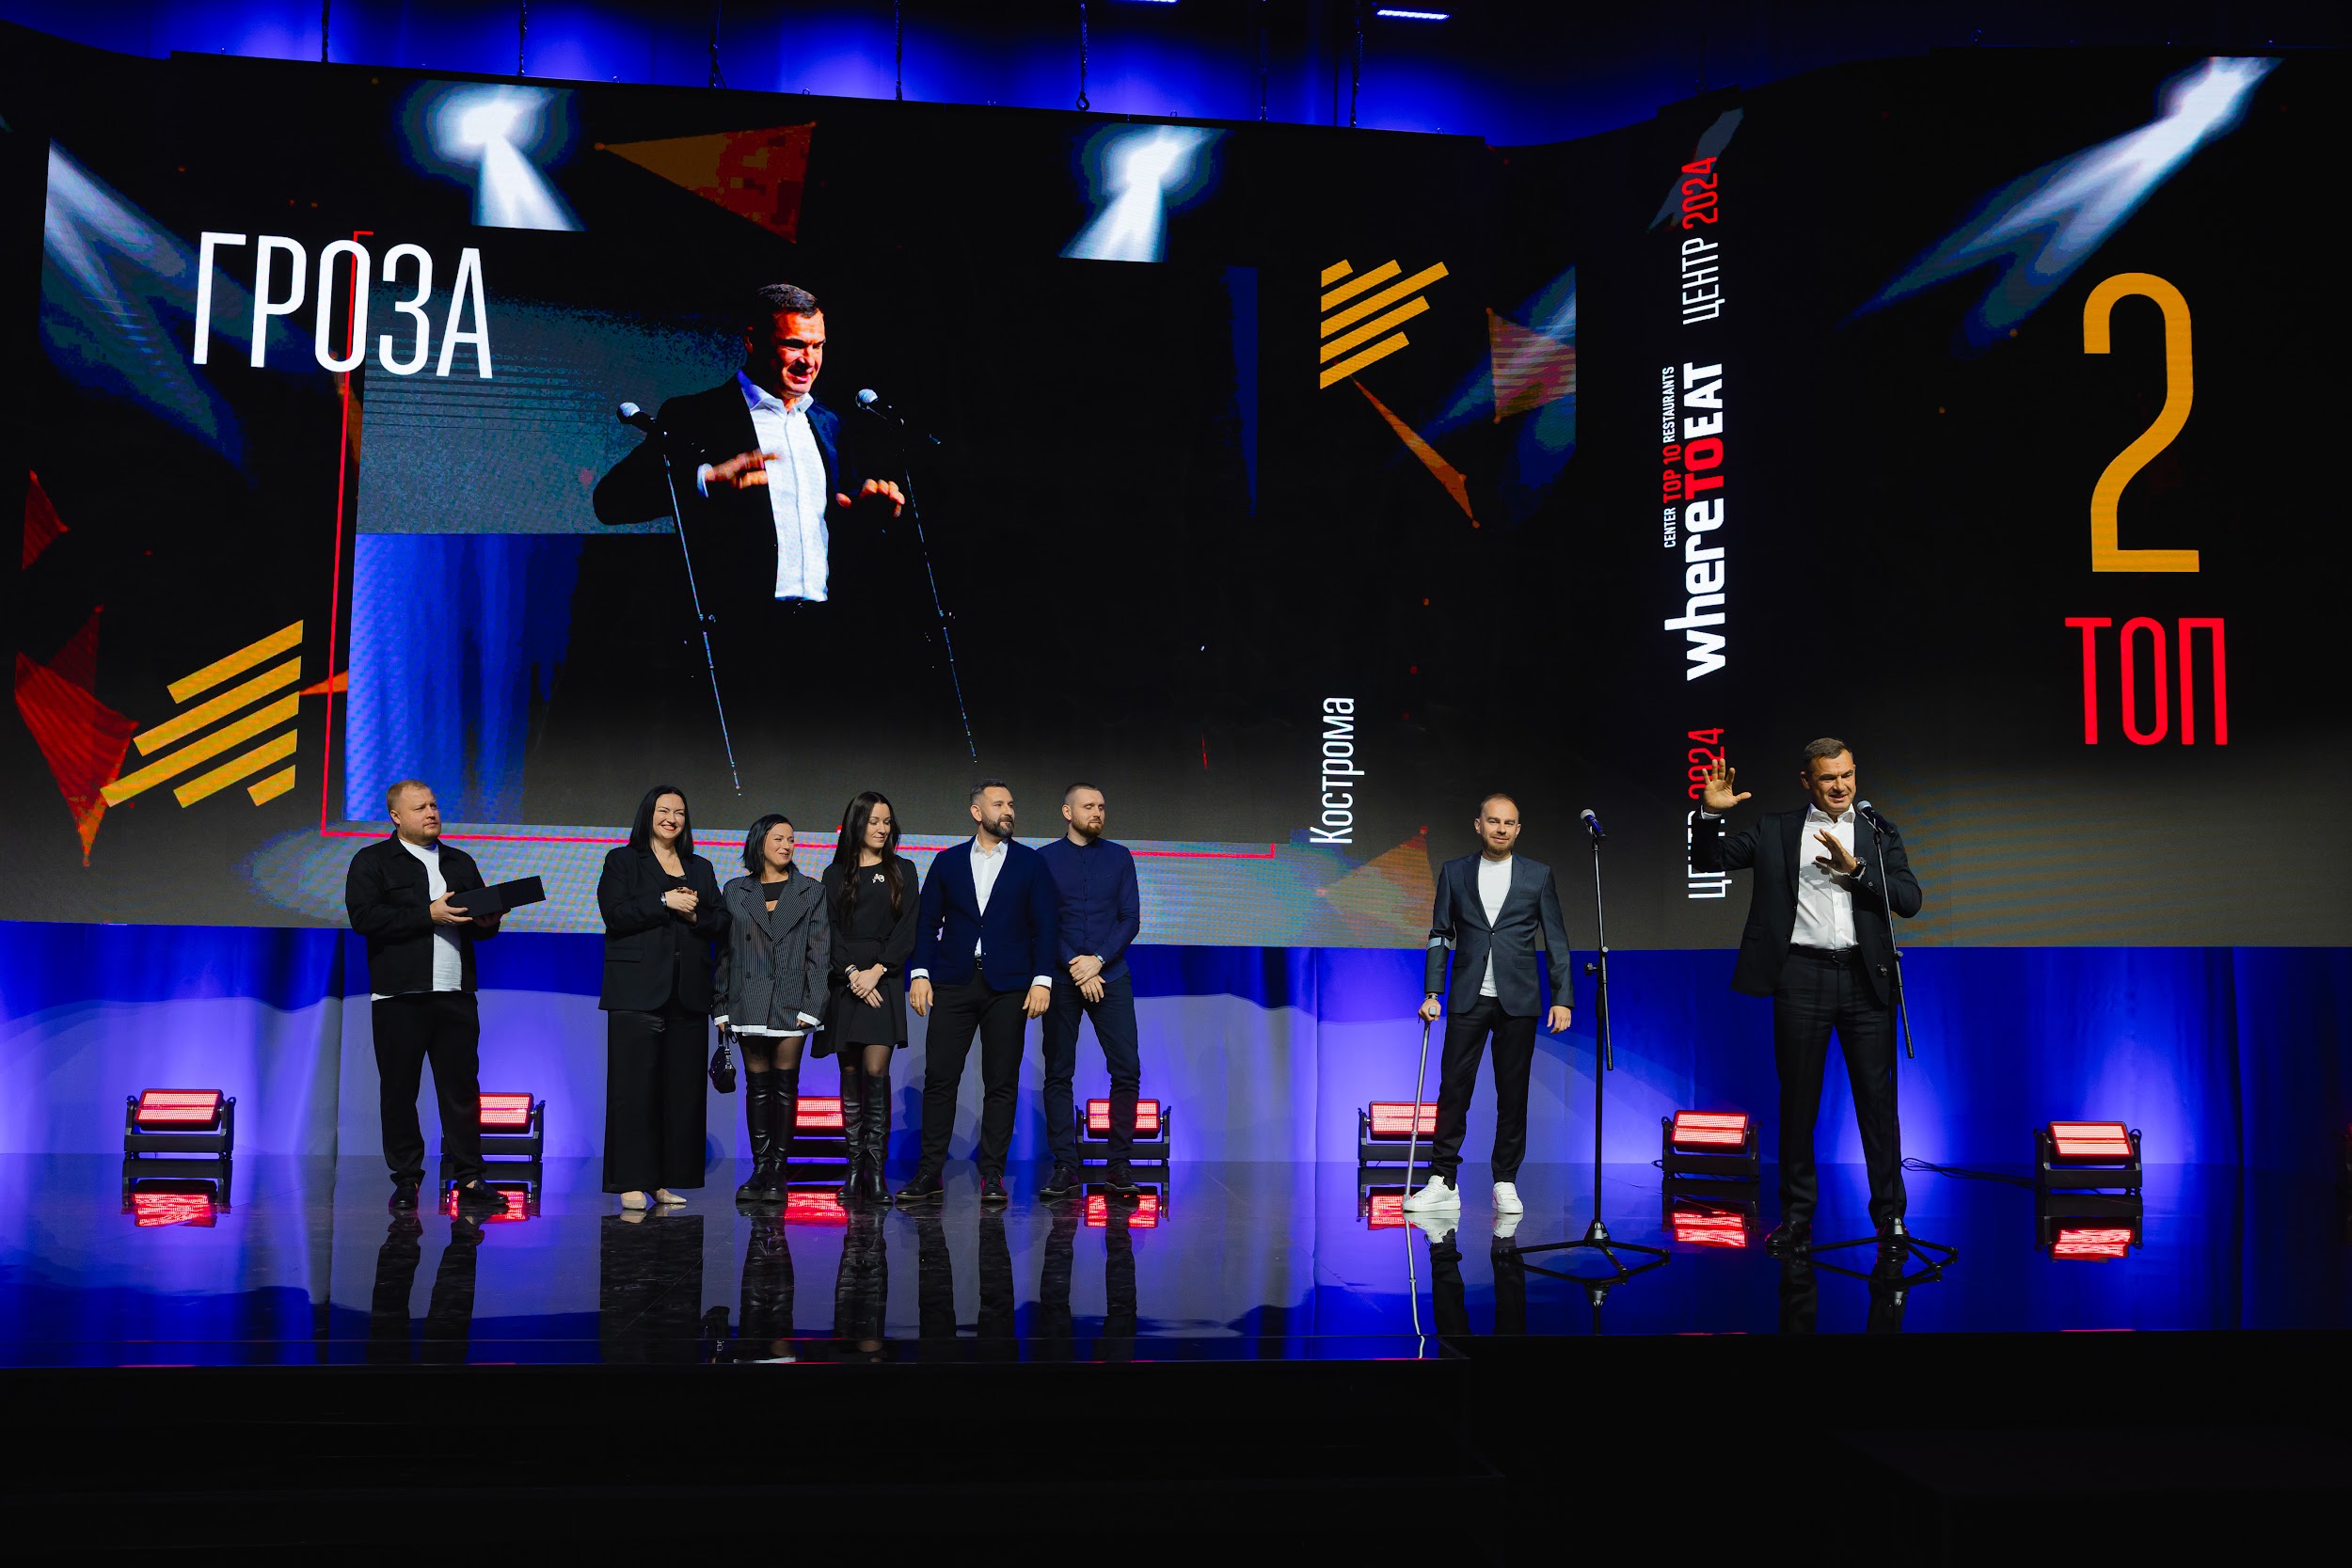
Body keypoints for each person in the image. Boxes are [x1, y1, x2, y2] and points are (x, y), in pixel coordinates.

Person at [1694, 738, 1923, 1255]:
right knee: (1798, 1105)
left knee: (1878, 1105)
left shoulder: (1878, 831)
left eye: (1847, 775)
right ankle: (1797, 1220)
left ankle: (1890, 1218)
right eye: (1828, 778)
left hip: (1865, 979)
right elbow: (1710, 860)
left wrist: (1857, 871)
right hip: (1800, 976)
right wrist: (1709, 814)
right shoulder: (1776, 829)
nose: (1840, 786)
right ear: (1807, 781)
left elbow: (1910, 900)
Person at [1403, 792, 1574, 1216]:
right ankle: (1443, 1180)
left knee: (1512, 1094)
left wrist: (1563, 999)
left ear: (1518, 829)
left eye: (1509, 823)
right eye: (1494, 821)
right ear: (1478, 825)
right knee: (1453, 1089)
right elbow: (1441, 933)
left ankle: (1505, 1181)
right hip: (1468, 995)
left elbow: (1556, 940)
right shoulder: (1455, 871)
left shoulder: (1538, 875)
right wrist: (1432, 992)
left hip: (1519, 998)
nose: (1501, 829)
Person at [343, 779, 507, 1214]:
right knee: (400, 1091)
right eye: (420, 808)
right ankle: (406, 1179)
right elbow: (365, 918)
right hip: (399, 995)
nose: (431, 813)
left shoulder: (460, 861)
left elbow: (478, 929)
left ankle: (469, 1176)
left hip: (454, 992)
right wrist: (427, 913)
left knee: (462, 1090)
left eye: (434, 804)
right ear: (396, 816)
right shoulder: (372, 861)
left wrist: (488, 922)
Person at [898, 778, 1059, 1209]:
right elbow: (927, 922)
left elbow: (1046, 926)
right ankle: (929, 1173)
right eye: (999, 804)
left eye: (1011, 804)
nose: (1008, 811)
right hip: (953, 982)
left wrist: (1042, 980)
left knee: (1001, 1082)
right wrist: (920, 974)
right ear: (976, 812)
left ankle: (992, 1174)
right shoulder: (947, 861)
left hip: (1010, 987)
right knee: (940, 1078)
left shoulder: (1030, 863)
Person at [596, 784, 728, 1211]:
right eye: (663, 811)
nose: (672, 818)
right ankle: (631, 1181)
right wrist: (663, 901)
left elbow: (720, 921)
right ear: (648, 815)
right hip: (636, 992)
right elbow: (615, 914)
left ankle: (663, 1181)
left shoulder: (700, 867)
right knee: (633, 1091)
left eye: (679, 812)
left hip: (687, 994)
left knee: (679, 1094)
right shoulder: (622, 860)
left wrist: (694, 914)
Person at [713, 814, 831, 1203]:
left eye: (791, 839)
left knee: (784, 1088)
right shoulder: (735, 890)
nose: (787, 845)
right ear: (760, 842)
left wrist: (814, 1004)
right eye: (779, 838)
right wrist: (720, 1004)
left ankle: (778, 1170)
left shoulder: (811, 890)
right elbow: (726, 952)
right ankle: (760, 1168)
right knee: (757, 1087)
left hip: (791, 1002)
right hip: (746, 1000)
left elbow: (820, 953)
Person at [1035, 782, 1144, 1200]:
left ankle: (1119, 1164)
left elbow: (1130, 919)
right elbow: (1042, 922)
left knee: (1126, 1069)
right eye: (1088, 806)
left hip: (1110, 975)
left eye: (1101, 806)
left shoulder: (1120, 857)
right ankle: (1066, 1165)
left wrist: (1096, 960)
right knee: (1059, 1071)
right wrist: (1076, 965)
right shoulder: (1044, 860)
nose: (1097, 812)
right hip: (1063, 978)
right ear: (1068, 812)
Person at [818, 791, 921, 1205]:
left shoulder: (903, 870)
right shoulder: (833, 874)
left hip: (884, 979)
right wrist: (850, 974)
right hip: (845, 981)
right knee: (849, 1072)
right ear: (857, 824)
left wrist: (877, 971)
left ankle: (876, 1173)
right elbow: (827, 931)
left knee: (876, 1070)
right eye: (874, 821)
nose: (881, 829)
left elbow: (907, 930)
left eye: (887, 821)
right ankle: (854, 1169)